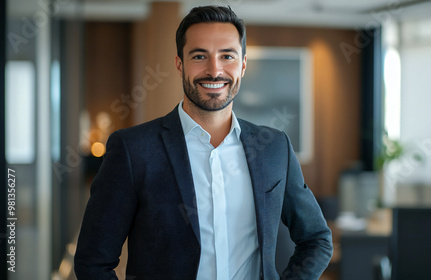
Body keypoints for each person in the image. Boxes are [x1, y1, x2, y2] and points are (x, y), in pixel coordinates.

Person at [74, 5, 333, 280]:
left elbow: (316, 238)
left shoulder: (275, 148)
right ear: (179, 64)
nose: (214, 70)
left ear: (242, 65)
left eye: (227, 56)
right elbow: (93, 263)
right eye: (200, 56)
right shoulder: (133, 150)